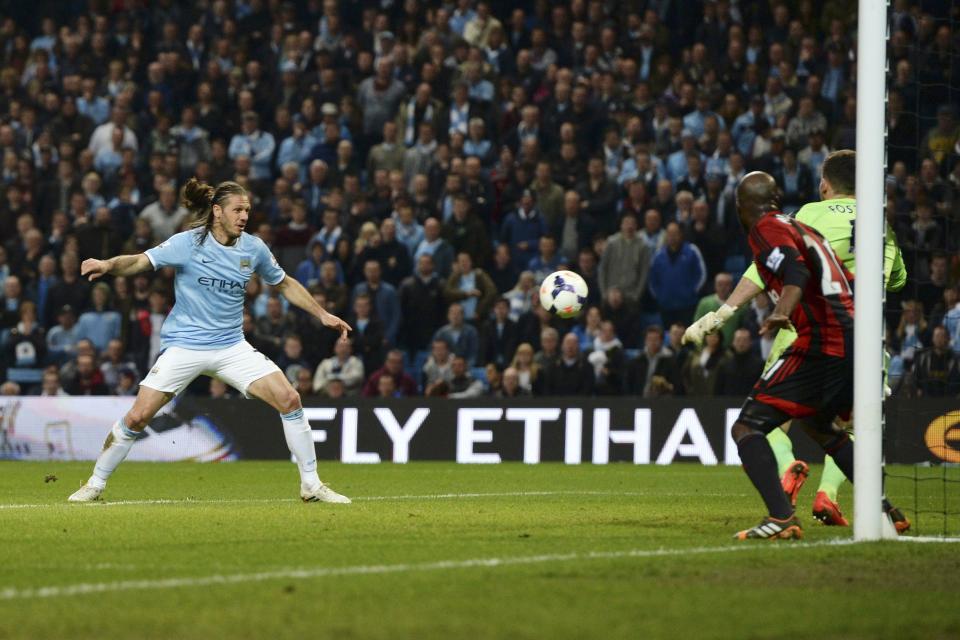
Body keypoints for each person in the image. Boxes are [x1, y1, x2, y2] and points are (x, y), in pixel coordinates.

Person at [67, 178, 352, 504]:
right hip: (184, 346)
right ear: (217, 211)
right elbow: (138, 261)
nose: (244, 216)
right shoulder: (188, 243)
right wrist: (107, 264)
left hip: (231, 347)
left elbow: (284, 283)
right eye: (237, 209)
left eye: (247, 210)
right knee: (137, 417)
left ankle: (311, 485)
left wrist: (321, 313)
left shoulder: (254, 248)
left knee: (290, 399)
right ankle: (95, 484)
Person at [684, 150, 910, 529]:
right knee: (829, 425)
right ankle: (873, 507)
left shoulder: (800, 217)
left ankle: (783, 505)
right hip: (867, 335)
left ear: (825, 185)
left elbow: (785, 267)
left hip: (814, 333)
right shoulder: (881, 222)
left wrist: (730, 313)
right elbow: (898, 280)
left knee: (752, 422)